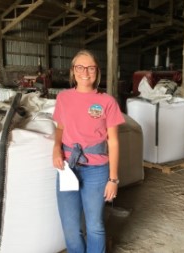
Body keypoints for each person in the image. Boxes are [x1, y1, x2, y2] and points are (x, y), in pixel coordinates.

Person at [52, 49, 125, 253]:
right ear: (73, 71)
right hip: (67, 167)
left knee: (95, 226)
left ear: (97, 71)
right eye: (80, 67)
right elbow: (59, 128)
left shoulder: (107, 102)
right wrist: (56, 149)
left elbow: (114, 142)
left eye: (91, 67)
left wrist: (113, 179)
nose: (86, 72)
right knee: (70, 229)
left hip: (97, 170)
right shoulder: (64, 98)